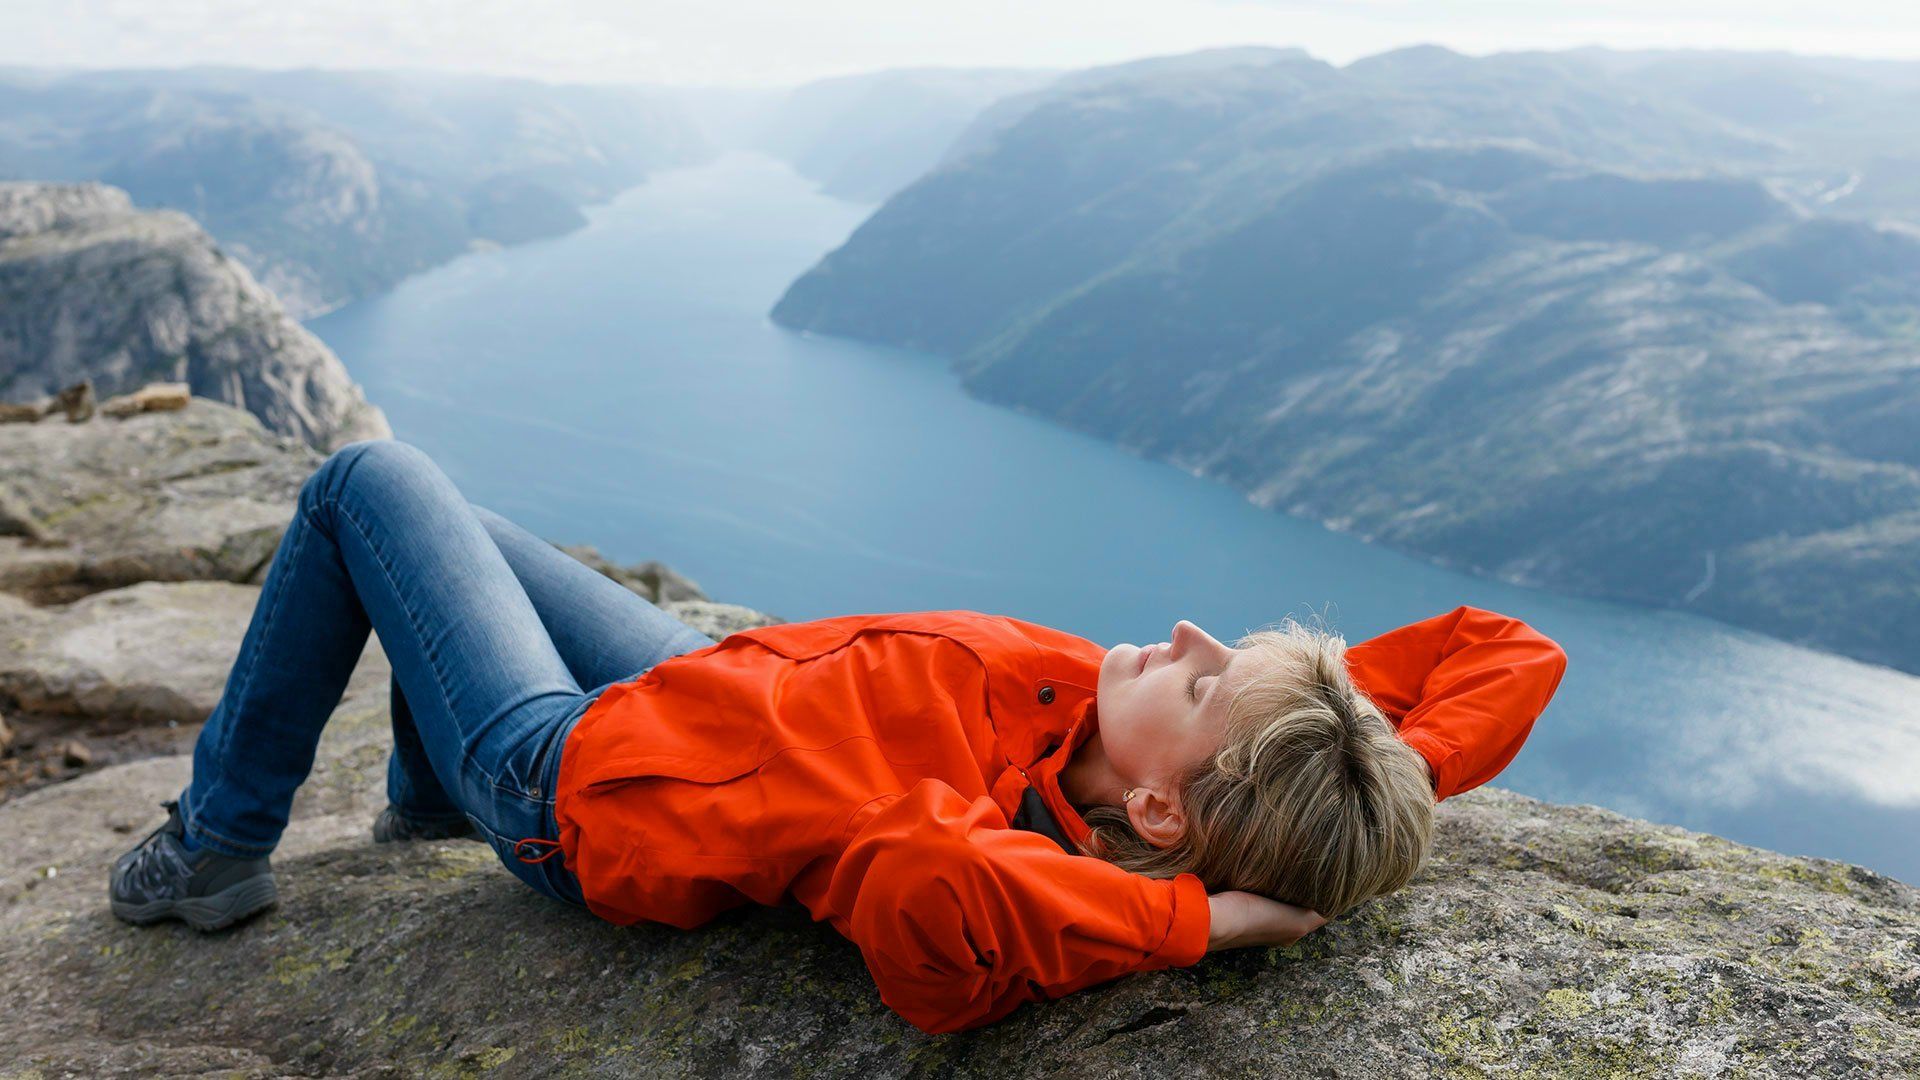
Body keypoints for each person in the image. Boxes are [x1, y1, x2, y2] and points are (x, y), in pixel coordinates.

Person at [108, 439, 1569, 1034]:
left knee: (366, 481)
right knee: (463, 536)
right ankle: (421, 806)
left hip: (585, 782)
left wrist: (1195, 924)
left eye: (1200, 684)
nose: (1188, 640)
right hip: (707, 689)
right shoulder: (1194, 743)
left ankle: (218, 848)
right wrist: (1392, 766)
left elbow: (935, 909)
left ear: (1169, 817)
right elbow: (1507, 649)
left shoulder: (967, 860)